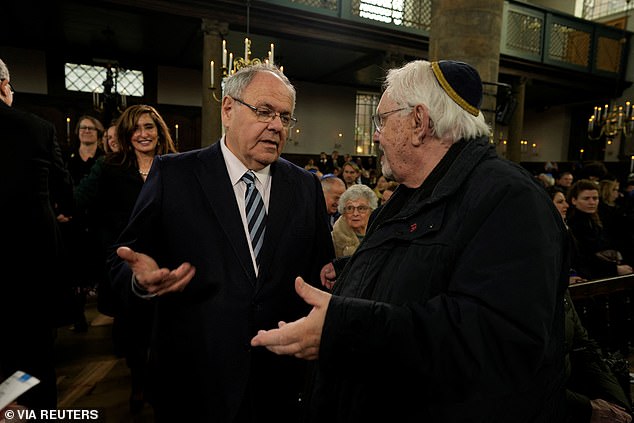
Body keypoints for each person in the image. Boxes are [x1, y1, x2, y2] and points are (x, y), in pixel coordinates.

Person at [251, 59, 569, 422]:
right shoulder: (413, 192)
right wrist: (352, 274)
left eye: (382, 120)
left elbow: (495, 340)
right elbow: (424, 269)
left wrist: (345, 327)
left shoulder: (510, 200)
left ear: (419, 122)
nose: (376, 135)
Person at [108, 63, 334, 422]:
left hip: (278, 384)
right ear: (228, 110)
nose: (276, 125)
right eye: (264, 111)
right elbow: (119, 266)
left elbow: (321, 273)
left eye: (284, 117)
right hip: (194, 383)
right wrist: (140, 281)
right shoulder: (174, 175)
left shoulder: (305, 187)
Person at [72, 104, 178, 413]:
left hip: (167, 262)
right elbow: (80, 202)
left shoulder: (175, 166)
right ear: (127, 135)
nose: (143, 134)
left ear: (159, 131)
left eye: (149, 127)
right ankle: (138, 383)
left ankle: (162, 385)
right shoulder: (110, 167)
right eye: (136, 129)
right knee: (134, 331)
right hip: (126, 265)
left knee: (166, 330)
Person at [0, 58, 74, 411]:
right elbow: (63, 187)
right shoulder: (37, 128)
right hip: (30, 259)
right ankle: (33, 410)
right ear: (3, 86)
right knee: (33, 350)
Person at [332, 184, 377, 258]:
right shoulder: (332, 241)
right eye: (350, 208)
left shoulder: (380, 235)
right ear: (343, 212)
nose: (355, 214)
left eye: (361, 208)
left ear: (371, 210)